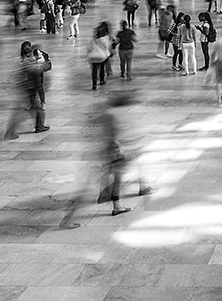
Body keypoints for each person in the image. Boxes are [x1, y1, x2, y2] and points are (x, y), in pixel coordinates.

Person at [61, 91, 153, 227]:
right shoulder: (113, 116)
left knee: (109, 180)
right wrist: (119, 150)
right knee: (91, 189)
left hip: (100, 155)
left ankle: (113, 201)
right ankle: (68, 219)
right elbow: (114, 136)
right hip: (111, 154)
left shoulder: (105, 116)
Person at [3, 41, 51, 139]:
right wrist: (44, 66)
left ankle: (39, 126)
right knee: (22, 113)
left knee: (36, 109)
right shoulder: (24, 61)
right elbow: (35, 69)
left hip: (27, 88)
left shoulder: (25, 61)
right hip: (27, 89)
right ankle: (10, 133)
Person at [87, 21, 112, 90]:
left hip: (93, 56)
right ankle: (101, 80)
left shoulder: (93, 40)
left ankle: (94, 84)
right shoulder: (105, 38)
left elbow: (89, 48)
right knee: (102, 68)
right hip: (102, 56)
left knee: (94, 70)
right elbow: (107, 46)